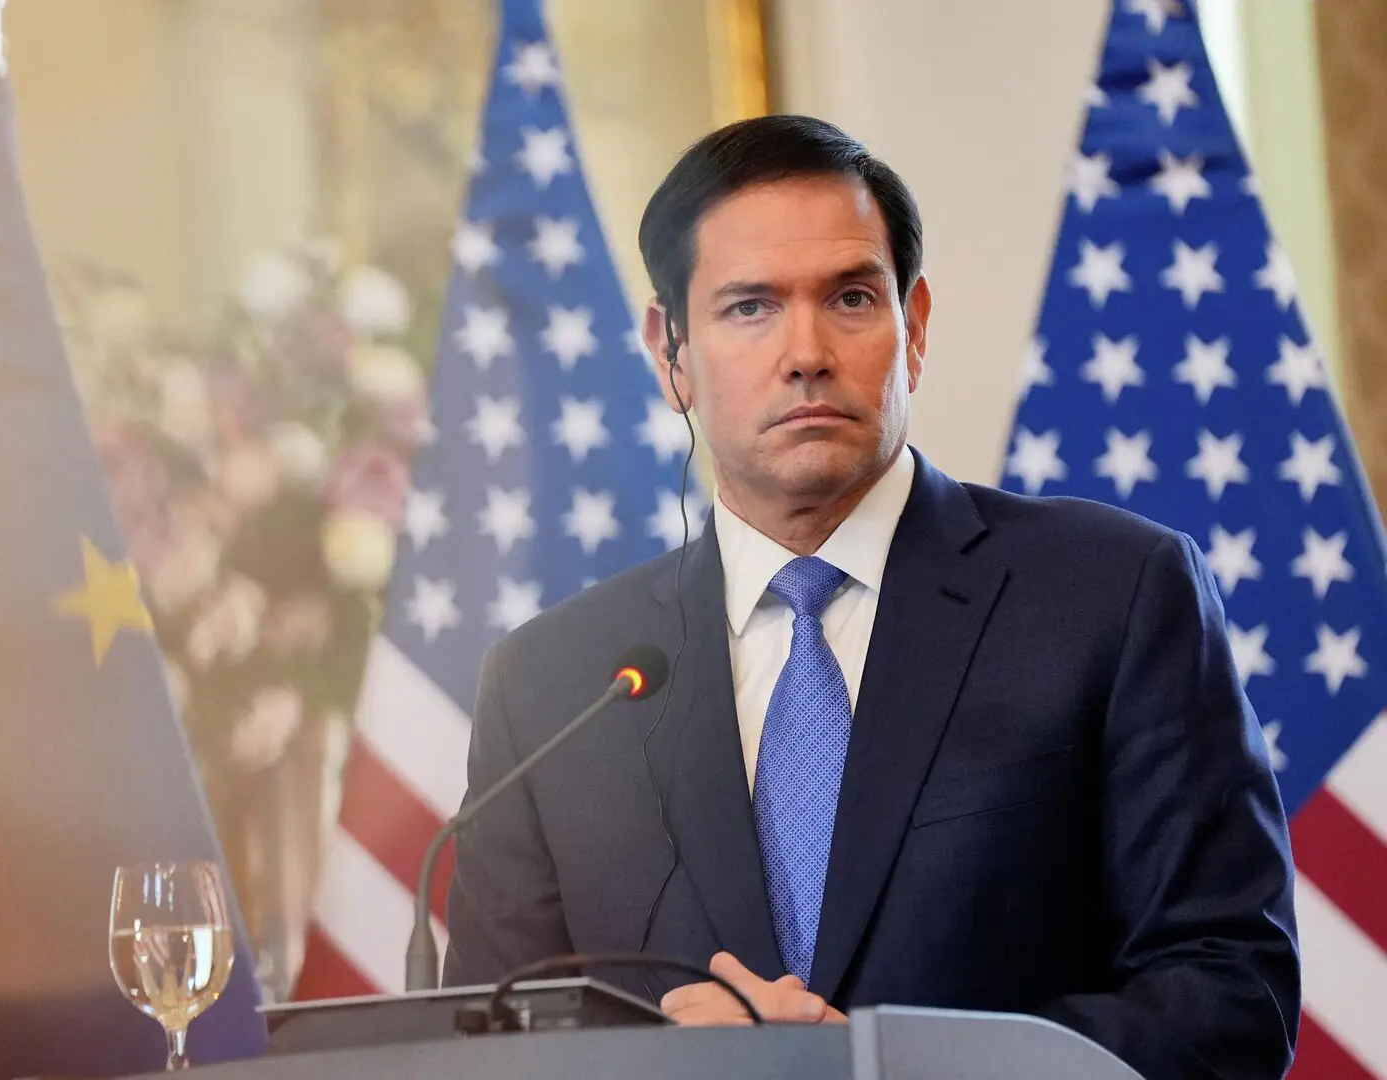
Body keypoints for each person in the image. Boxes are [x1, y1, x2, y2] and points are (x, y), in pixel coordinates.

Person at [440, 115, 1300, 1080]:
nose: (806, 352)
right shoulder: (552, 685)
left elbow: (1228, 996)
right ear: (669, 352)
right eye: (750, 307)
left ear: (914, 325)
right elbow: (478, 1053)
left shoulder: (1112, 595)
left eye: (850, 298)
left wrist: (872, 1066)